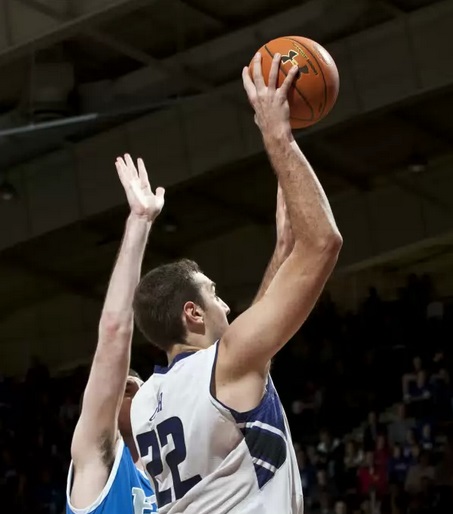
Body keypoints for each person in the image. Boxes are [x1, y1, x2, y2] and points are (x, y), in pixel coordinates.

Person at [131, 52, 342, 514]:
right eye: (214, 294)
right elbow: (324, 243)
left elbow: (250, 341)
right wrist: (277, 135)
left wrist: (282, 250)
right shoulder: (225, 367)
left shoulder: (145, 402)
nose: (226, 306)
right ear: (192, 313)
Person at [66, 154, 163, 514]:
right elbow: (113, 333)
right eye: (128, 390)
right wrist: (139, 222)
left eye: (139, 389)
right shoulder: (96, 459)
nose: (138, 396)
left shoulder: (174, 480)